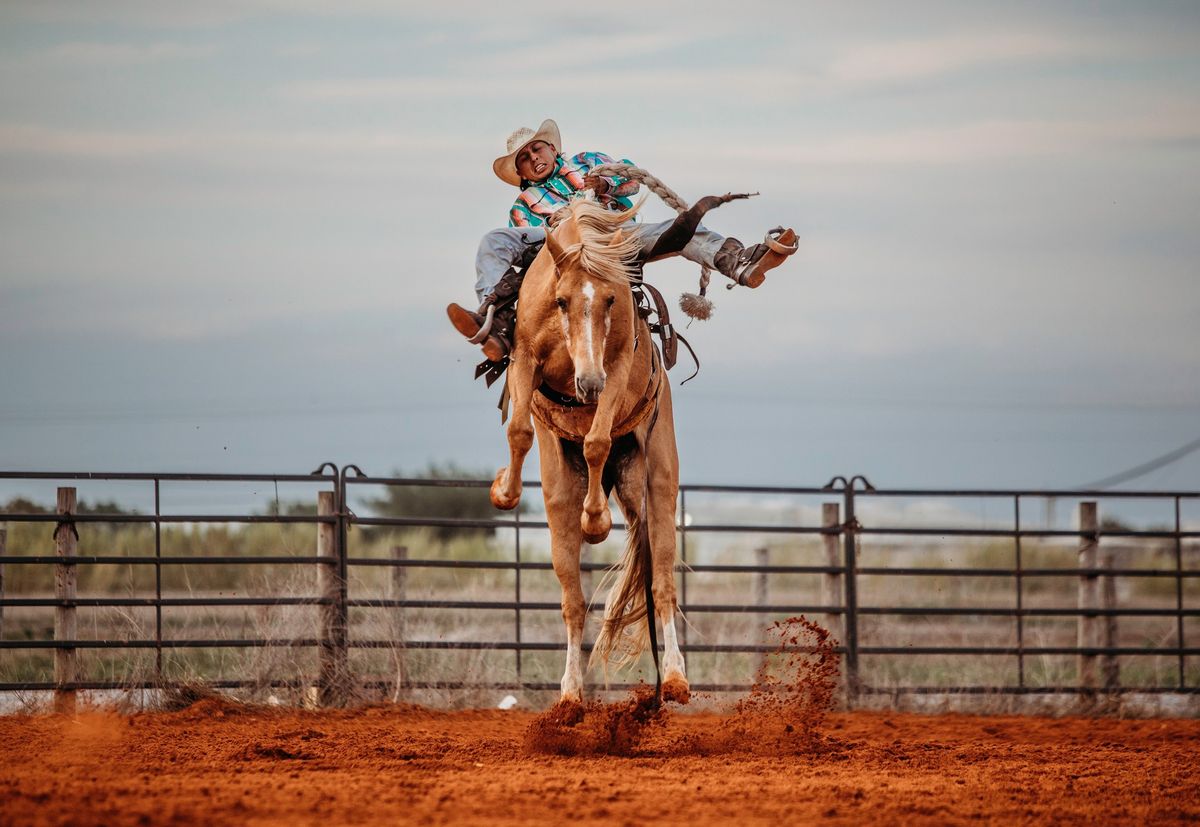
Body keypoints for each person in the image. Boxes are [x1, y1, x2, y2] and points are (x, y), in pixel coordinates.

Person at [447, 119, 796, 360]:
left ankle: (741, 264)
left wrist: (603, 185)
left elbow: (631, 180)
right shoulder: (523, 207)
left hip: (612, 234)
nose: (533, 158)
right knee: (494, 240)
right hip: (561, 248)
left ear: (552, 148)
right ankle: (492, 321)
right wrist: (560, 224)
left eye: (536, 149)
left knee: (680, 229)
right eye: (524, 158)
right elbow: (529, 252)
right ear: (520, 173)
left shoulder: (588, 162)